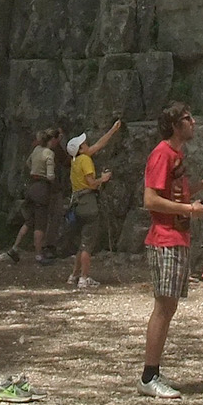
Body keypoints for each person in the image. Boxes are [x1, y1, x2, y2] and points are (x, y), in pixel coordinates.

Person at [138, 102, 203, 399]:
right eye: (187, 118)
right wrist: (189, 209)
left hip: (177, 238)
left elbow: (173, 193)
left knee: (168, 307)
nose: (193, 122)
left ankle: (153, 371)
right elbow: (150, 200)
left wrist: (199, 187)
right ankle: (149, 377)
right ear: (175, 126)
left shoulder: (176, 155)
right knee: (163, 307)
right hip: (164, 240)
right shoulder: (162, 154)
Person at [61, 119, 124, 290]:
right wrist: (103, 179)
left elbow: (98, 145)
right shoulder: (86, 160)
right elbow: (91, 183)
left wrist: (113, 130)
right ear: (81, 149)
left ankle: (74, 275)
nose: (88, 145)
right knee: (88, 245)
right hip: (88, 204)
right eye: (85, 144)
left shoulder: (76, 160)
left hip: (77, 204)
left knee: (82, 243)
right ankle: (84, 277)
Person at [0, 127, 62, 264]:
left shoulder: (37, 149)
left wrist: (35, 172)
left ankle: (14, 248)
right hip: (42, 189)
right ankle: (39, 256)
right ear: (53, 139)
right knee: (40, 225)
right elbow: (50, 176)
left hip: (32, 187)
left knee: (29, 221)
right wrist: (52, 181)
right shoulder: (49, 154)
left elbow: (28, 163)